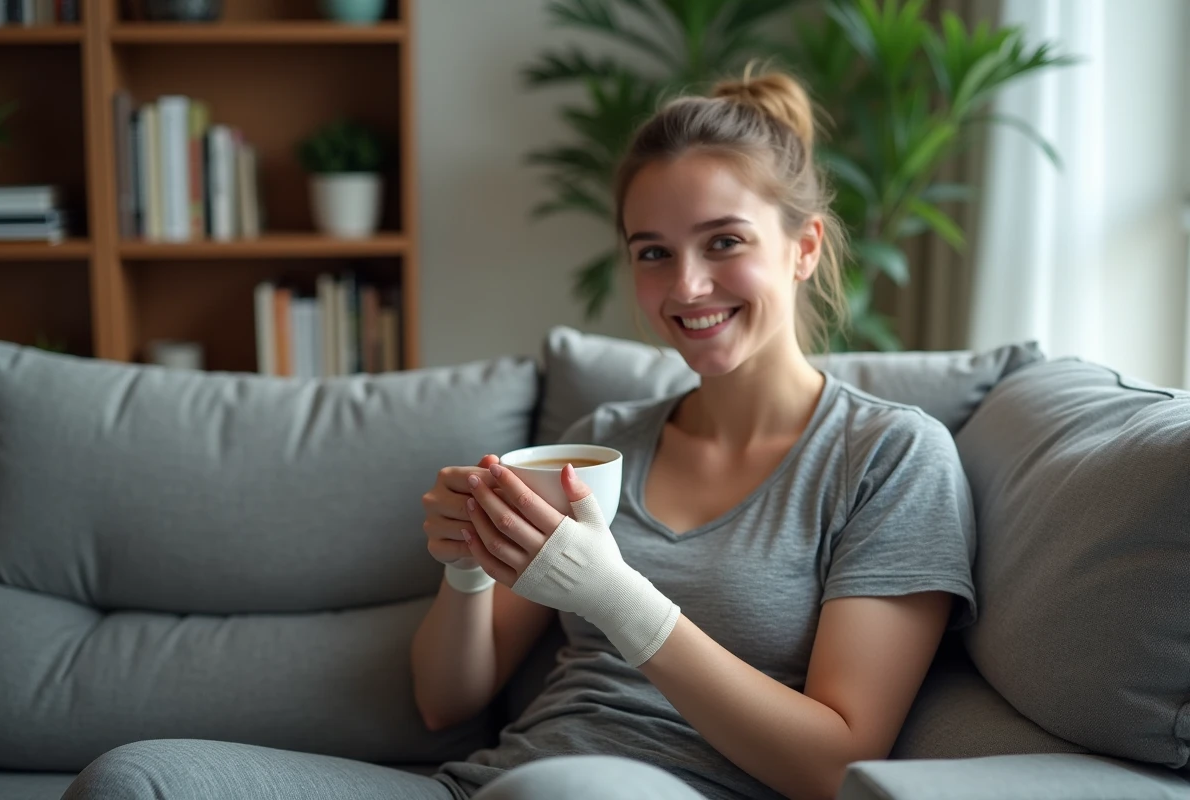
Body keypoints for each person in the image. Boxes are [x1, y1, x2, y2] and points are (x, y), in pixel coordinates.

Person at [63, 66, 974, 800]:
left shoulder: (890, 457)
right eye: (652, 252)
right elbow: (444, 700)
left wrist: (621, 599)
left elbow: (833, 767)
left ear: (804, 247)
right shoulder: (603, 442)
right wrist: (464, 566)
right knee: (135, 777)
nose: (686, 286)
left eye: (724, 242)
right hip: (491, 786)